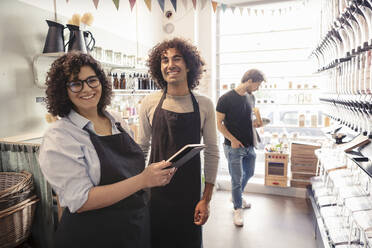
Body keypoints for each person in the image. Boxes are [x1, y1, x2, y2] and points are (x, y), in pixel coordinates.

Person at [38, 51, 175, 248]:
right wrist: (142, 180)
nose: (87, 89)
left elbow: (130, 172)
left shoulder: (115, 120)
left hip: (132, 229)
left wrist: (152, 178)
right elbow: (81, 200)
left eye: (92, 80)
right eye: (76, 83)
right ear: (63, 90)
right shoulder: (60, 136)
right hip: (92, 236)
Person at [138, 37, 219, 248]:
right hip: (154, 194)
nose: (170, 65)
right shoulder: (149, 103)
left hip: (189, 195)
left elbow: (212, 152)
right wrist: (136, 187)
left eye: (177, 58)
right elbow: (141, 148)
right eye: (164, 60)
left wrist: (206, 199)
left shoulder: (204, 104)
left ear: (189, 65)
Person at [216, 69, 266, 227]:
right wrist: (233, 140)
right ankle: (238, 208)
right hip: (233, 146)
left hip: (249, 144)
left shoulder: (251, 97)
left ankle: (236, 195)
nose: (258, 88)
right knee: (236, 179)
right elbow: (219, 124)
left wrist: (257, 122)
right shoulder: (225, 99)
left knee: (249, 173)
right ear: (250, 80)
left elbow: (246, 120)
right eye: (257, 85)